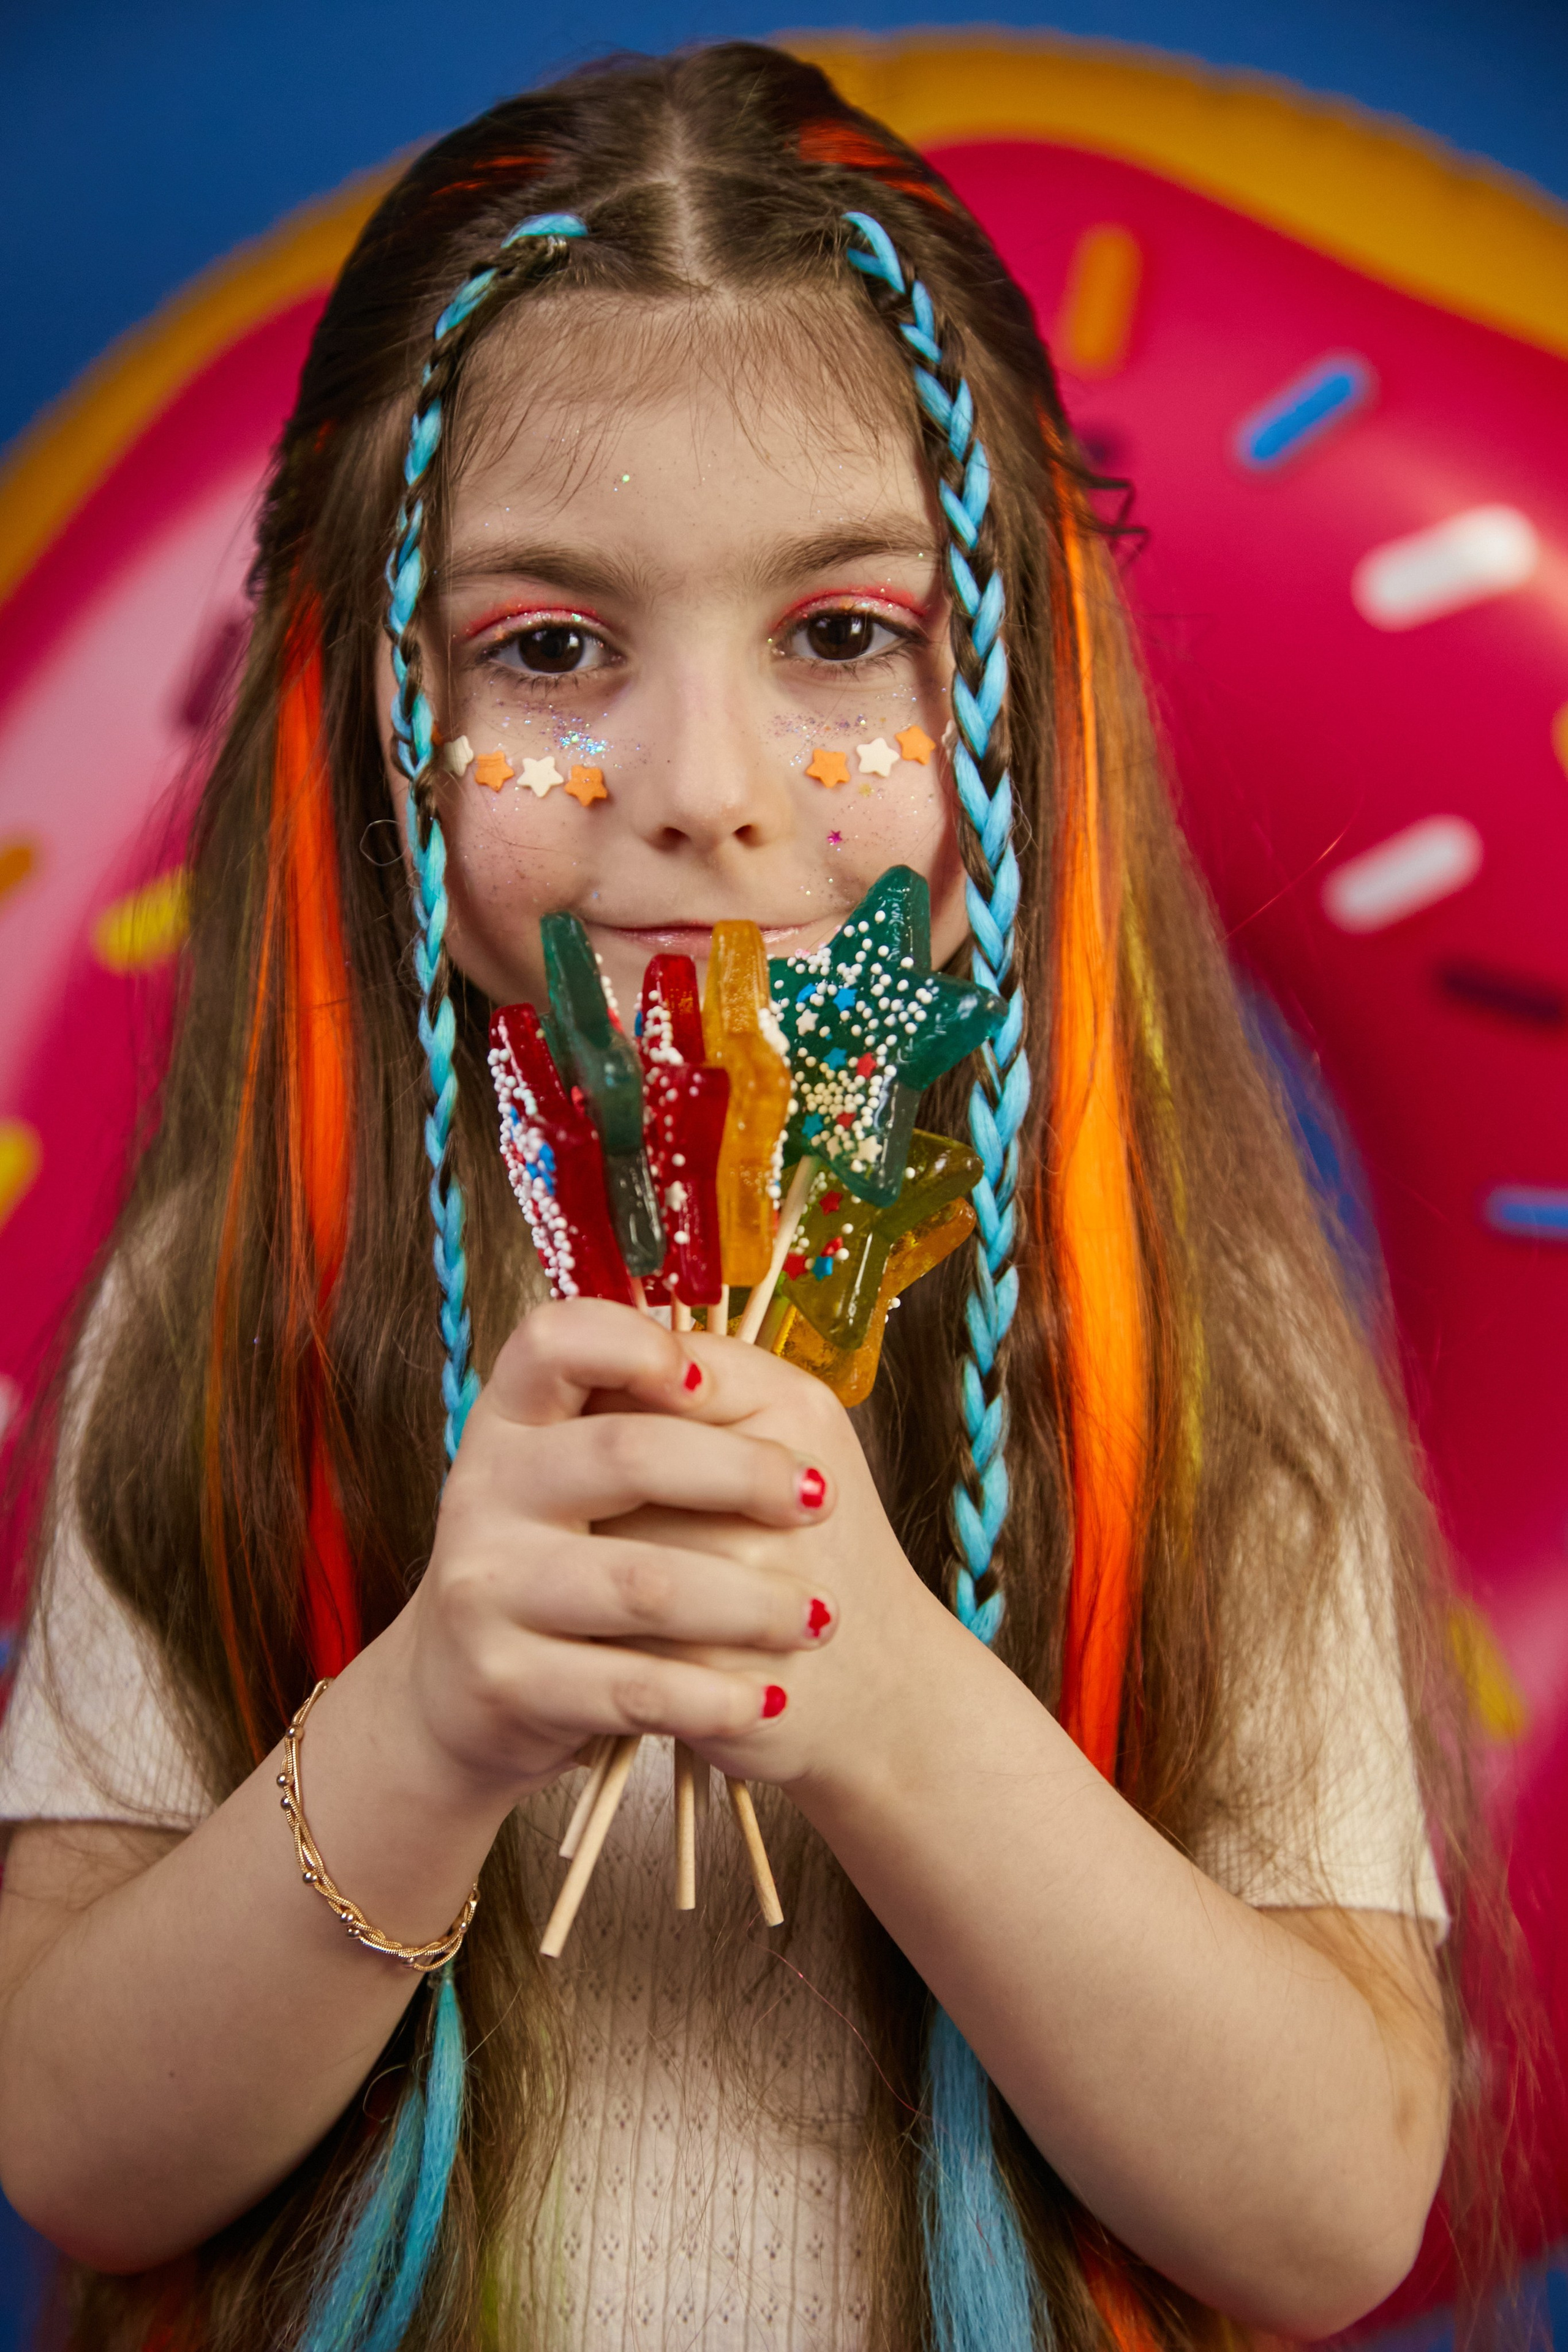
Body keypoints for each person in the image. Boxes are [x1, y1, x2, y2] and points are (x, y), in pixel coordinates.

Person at [0, 43, 1494, 2352]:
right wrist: (431, 1726)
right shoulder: (232, 1306)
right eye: (551, 650)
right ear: (388, 726)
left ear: (1003, 703)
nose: (704, 788)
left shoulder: (1180, 1328)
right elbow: (76, 2150)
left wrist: (883, 1696)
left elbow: (1324, 2222)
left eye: (840, 635)